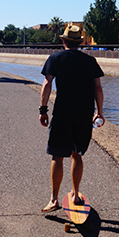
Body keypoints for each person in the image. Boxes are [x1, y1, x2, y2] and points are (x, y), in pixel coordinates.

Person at [38, 23, 104, 212]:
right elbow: (98, 88)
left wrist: (43, 110)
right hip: (84, 115)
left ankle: (54, 199)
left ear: (64, 41)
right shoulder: (90, 61)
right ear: (81, 42)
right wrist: (99, 112)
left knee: (57, 156)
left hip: (62, 114)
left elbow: (47, 84)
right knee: (77, 154)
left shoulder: (55, 58)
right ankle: (75, 194)